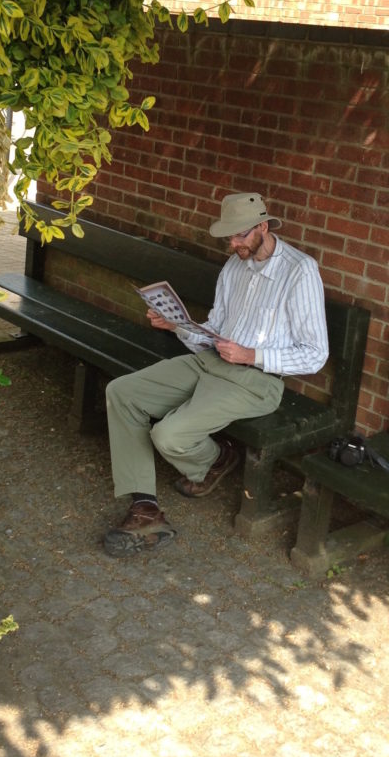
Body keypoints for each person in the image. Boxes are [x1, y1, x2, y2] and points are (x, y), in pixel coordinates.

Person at [102, 191, 329, 558]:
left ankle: (216, 459)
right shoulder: (234, 265)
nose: (234, 244)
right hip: (210, 361)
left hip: (256, 381)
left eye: (240, 236)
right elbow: (215, 328)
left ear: (262, 226)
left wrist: (252, 354)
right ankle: (145, 505)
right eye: (229, 237)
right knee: (122, 392)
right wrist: (175, 326)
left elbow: (315, 355)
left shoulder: (299, 271)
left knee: (168, 434)